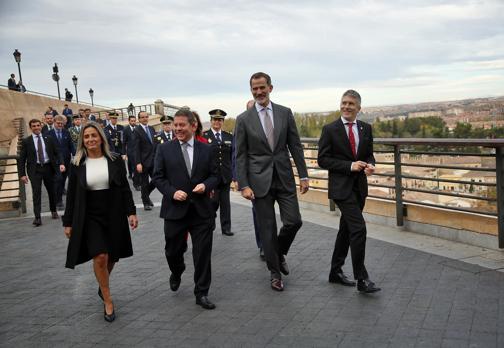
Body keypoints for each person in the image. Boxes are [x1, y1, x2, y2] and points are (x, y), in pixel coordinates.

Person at [235, 72, 309, 291]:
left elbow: (295, 145)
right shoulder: (243, 119)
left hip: (284, 178)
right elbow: (240, 155)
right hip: (259, 183)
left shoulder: (285, 113)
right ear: (251, 91)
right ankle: (275, 273)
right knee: (267, 229)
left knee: (294, 221)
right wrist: (244, 184)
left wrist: (303, 175)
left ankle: (279, 252)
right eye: (254, 89)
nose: (258, 92)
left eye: (262, 88)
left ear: (270, 88)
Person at [63, 122, 138, 322]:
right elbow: (71, 195)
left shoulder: (114, 160)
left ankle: (101, 285)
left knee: (112, 256)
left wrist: (131, 212)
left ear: (101, 137)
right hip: (89, 216)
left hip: (113, 213)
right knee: (100, 257)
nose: (90, 139)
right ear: (82, 140)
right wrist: (68, 222)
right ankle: (108, 299)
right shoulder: (77, 163)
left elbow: (124, 189)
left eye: (93, 135)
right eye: (86, 137)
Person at [152, 109, 218, 310]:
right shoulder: (164, 150)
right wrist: (172, 192)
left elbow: (216, 175)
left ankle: (202, 292)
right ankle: (177, 270)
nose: (178, 129)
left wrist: (206, 186)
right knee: (173, 251)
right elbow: (158, 177)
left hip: (201, 211)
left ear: (193, 126)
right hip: (174, 211)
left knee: (202, 253)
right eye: (176, 125)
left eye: (182, 125)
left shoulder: (206, 149)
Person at [317, 90, 380, 294]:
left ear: (358, 108)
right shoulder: (330, 129)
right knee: (358, 229)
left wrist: (370, 165)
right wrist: (349, 166)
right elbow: (323, 160)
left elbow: (369, 154)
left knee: (346, 229)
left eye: (351, 103)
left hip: (359, 188)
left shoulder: (366, 128)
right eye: (344, 103)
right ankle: (362, 279)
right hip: (341, 188)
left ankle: (335, 272)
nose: (346, 106)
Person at [18, 119, 65, 226]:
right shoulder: (26, 141)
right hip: (35, 170)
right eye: (34, 126)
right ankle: (37, 217)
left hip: (49, 168)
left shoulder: (49, 138)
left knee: (51, 190)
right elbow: (22, 159)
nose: (36, 128)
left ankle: (53, 211)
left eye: (38, 125)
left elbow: (57, 152)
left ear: (41, 126)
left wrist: (61, 163)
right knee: (36, 192)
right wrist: (22, 174)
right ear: (31, 128)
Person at [203, 109, 234, 236]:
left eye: (220, 120)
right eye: (215, 119)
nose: (217, 122)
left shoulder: (229, 136)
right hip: (211, 177)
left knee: (225, 203)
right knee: (213, 202)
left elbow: (233, 156)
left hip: (225, 176)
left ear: (222, 122)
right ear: (211, 121)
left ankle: (226, 228)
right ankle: (211, 221)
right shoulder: (205, 136)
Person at [48, 115, 74, 209]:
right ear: (54, 122)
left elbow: (71, 146)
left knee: (63, 180)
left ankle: (59, 196)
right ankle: (58, 200)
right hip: (55, 162)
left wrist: (74, 156)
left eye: (61, 123)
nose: (59, 125)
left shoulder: (66, 132)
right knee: (57, 180)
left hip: (66, 160)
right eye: (58, 123)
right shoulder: (49, 134)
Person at [133, 111, 157, 210]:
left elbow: (155, 145)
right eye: (142, 117)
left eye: (146, 117)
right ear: (139, 119)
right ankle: (146, 203)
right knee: (144, 183)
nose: (145, 119)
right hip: (143, 162)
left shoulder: (151, 129)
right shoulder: (137, 130)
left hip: (153, 160)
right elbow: (136, 148)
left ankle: (145, 195)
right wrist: (138, 163)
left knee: (156, 180)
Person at [123, 115, 140, 190]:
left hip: (138, 151)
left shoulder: (138, 128)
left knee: (138, 168)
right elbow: (124, 142)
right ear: (129, 121)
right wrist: (124, 153)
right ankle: (136, 183)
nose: (133, 122)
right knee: (134, 168)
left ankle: (137, 182)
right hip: (130, 152)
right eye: (132, 121)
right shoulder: (126, 129)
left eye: (134, 120)